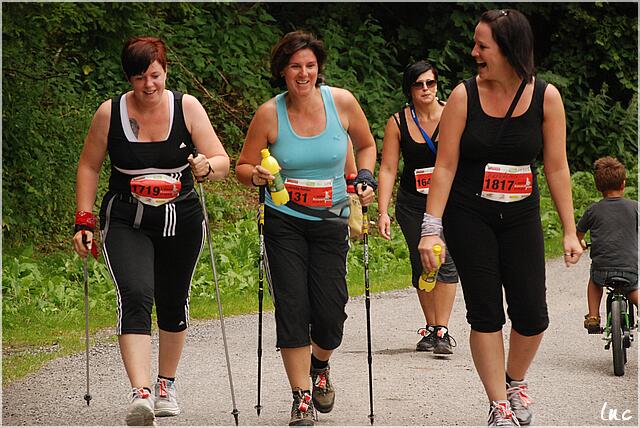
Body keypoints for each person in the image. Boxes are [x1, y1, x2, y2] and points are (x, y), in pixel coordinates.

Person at [417, 9, 583, 426]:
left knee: (533, 315)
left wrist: (569, 229)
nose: (474, 53)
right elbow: (445, 166)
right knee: (486, 313)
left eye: (482, 46)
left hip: (521, 215)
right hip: (469, 215)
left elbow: (557, 166)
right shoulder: (463, 96)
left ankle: (514, 380)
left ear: (509, 50)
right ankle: (499, 405)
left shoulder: (546, 97)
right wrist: (431, 228)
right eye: (475, 44)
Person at [72, 36, 230, 426]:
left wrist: (206, 167)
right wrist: (83, 220)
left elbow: (221, 160)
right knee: (136, 293)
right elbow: (89, 166)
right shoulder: (109, 113)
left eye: (155, 75)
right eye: (140, 77)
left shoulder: (187, 107)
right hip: (127, 218)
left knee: (173, 300)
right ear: (129, 78)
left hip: (181, 219)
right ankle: (140, 393)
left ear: (166, 71)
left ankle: (165, 385)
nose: (149, 85)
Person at [235, 30, 377, 426]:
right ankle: (301, 396)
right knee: (292, 307)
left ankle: (320, 364)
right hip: (284, 221)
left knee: (331, 314)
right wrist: (256, 176)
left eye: (310, 65)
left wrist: (365, 177)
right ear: (282, 70)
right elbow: (242, 167)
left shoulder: (341, 102)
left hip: (331, 219)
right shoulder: (269, 113)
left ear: (319, 68)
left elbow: (366, 145)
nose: (303, 73)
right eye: (295, 66)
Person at [377, 61, 459, 355]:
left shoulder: (453, 113)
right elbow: (388, 168)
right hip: (412, 204)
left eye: (430, 83)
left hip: (450, 201)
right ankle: (432, 327)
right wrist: (382, 211)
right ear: (409, 89)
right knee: (423, 262)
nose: (426, 89)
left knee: (445, 260)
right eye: (419, 84)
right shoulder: (398, 122)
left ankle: (442, 330)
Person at [577, 156, 638, 333]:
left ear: (598, 187)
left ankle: (593, 316)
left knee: (594, 282)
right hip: (629, 269)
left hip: (601, 271)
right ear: (623, 184)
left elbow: (578, 236)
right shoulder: (635, 207)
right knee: (633, 287)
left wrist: (581, 243)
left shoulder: (592, 210)